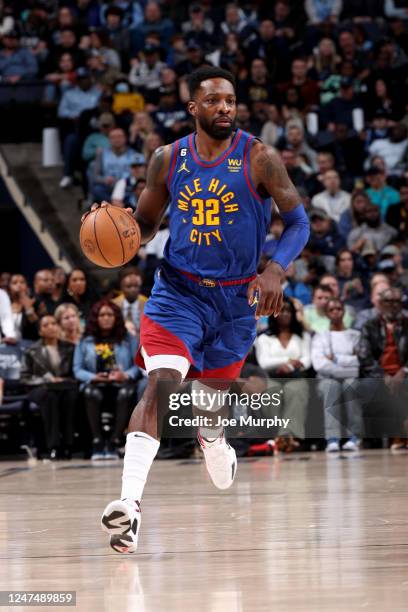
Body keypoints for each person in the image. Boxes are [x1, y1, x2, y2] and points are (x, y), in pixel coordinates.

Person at [82, 66, 310, 553]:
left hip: (235, 299)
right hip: (178, 292)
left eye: (230, 100)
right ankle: (129, 507)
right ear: (193, 108)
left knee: (208, 403)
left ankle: (213, 436)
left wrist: (277, 268)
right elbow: (143, 224)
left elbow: (298, 223)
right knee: (162, 384)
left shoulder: (260, 158)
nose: (224, 108)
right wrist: (116, 226)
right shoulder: (167, 160)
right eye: (213, 101)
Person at [73, 300, 140, 460]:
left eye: (110, 314)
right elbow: (77, 369)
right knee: (90, 393)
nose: (106, 318)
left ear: (116, 317)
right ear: (96, 318)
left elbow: (138, 365)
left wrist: (125, 375)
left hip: (120, 383)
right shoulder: (85, 340)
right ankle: (97, 442)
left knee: (126, 393)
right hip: (95, 384)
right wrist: (92, 377)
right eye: (102, 315)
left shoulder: (128, 338)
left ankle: (114, 441)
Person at [255, 297, 311, 450]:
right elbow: (264, 362)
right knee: (272, 392)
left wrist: (291, 367)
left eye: (288, 311)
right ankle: (277, 436)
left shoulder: (302, 336)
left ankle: (287, 436)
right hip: (272, 376)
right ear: (274, 313)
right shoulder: (264, 337)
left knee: (296, 390)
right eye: (281, 310)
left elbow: (307, 360)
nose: (285, 314)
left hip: (296, 376)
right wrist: (288, 361)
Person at [357, 287, 408, 448]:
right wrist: (383, 375)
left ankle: (401, 436)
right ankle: (373, 439)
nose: (393, 305)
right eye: (388, 301)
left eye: (396, 302)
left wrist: (403, 371)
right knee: (369, 386)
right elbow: (364, 356)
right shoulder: (369, 325)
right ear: (380, 303)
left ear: (402, 304)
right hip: (378, 374)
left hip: (404, 373)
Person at [21, 315, 77, 460]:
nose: (51, 327)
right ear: (40, 331)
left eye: (54, 323)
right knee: (49, 397)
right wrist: (47, 380)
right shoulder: (31, 350)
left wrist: (62, 380)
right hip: (40, 388)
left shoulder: (70, 348)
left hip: (64, 387)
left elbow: (74, 373)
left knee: (70, 396)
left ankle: (69, 444)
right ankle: (54, 446)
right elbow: (25, 377)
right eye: (46, 325)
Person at [311, 298, 363, 452]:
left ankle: (355, 436)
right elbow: (320, 365)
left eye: (338, 309)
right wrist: (349, 363)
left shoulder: (355, 335)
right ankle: (332, 438)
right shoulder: (320, 337)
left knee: (351, 385)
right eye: (331, 310)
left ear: (344, 311)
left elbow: (359, 363)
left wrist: (336, 360)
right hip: (326, 379)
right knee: (330, 386)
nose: (335, 312)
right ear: (326, 314)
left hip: (351, 378)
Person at [112, 268, 147, 339]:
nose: (133, 290)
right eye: (129, 286)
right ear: (121, 287)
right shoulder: (113, 304)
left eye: (136, 286)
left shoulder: (148, 304)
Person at [8, 273, 39, 341]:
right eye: (14, 283)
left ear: (27, 286)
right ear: (9, 288)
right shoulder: (5, 305)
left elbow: (37, 327)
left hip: (29, 343)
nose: (19, 285)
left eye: (22, 282)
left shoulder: (35, 302)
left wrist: (28, 307)